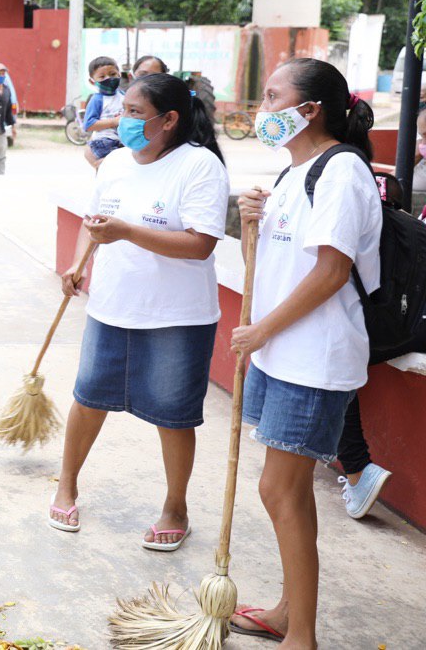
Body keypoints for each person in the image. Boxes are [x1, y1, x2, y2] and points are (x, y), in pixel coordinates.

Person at [231, 58, 381, 648]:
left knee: (280, 489)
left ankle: (303, 636)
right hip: (279, 354)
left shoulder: (341, 171)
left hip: (312, 358)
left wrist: (262, 330)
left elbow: (331, 272)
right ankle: (289, 611)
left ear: (310, 109)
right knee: (282, 489)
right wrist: (252, 223)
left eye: (273, 98)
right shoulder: (297, 171)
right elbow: (281, 261)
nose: (263, 110)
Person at [52, 74, 228, 552]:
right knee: (88, 398)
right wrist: (75, 263)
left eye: (134, 112)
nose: (122, 120)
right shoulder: (113, 163)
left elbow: (199, 244)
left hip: (176, 316)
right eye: (124, 109)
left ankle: (176, 507)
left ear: (169, 119)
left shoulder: (199, 166)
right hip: (112, 305)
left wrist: (128, 231)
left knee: (173, 415)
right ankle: (66, 484)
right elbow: (95, 223)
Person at [82, 56, 124, 170]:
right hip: (105, 142)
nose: (108, 78)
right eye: (102, 76)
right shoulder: (97, 100)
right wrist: (113, 122)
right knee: (110, 167)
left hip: (124, 141)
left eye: (112, 74)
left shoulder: (124, 96)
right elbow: (89, 125)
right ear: (92, 81)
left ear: (119, 74)